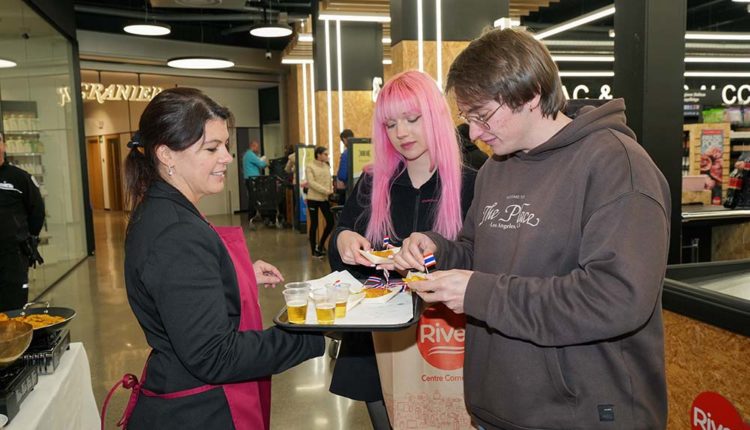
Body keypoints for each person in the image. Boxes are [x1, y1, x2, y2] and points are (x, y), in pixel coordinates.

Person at [391, 28, 670, 429]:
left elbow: (615, 298)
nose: (474, 133)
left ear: (531, 94)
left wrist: (480, 294)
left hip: (582, 414)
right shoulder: (496, 168)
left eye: (482, 115)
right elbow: (476, 252)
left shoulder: (617, 166)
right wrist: (436, 251)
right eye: (468, 118)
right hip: (496, 407)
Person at [117, 88, 324, 429]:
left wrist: (235, 275)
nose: (227, 157)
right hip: (198, 411)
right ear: (167, 154)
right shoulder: (176, 232)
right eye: (212, 148)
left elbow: (180, 288)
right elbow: (215, 355)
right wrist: (313, 332)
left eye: (225, 145)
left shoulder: (161, 209)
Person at [328, 70, 476, 429]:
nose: (401, 133)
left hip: (450, 338)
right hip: (376, 341)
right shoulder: (372, 183)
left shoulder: (473, 182)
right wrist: (342, 239)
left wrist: (431, 256)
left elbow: (483, 259)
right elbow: (341, 250)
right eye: (391, 124)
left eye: (412, 119)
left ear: (435, 116)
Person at [0, 132, 45, 312]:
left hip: (13, 258)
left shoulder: (20, 177)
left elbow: (37, 213)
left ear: (4, 146)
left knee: (14, 310)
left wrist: (25, 238)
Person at [305, 146, 334, 258]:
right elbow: (311, 183)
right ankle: (313, 250)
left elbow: (328, 180)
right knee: (314, 224)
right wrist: (326, 191)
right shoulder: (310, 166)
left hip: (324, 199)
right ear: (318, 155)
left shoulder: (326, 166)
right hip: (313, 199)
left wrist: (330, 190)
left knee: (330, 222)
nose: (327, 156)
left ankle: (321, 245)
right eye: (325, 154)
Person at [243, 139, 267, 228]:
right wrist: (265, 161)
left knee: (252, 198)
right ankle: (252, 216)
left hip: (248, 179)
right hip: (253, 179)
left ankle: (254, 215)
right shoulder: (250, 155)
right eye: (257, 147)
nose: (258, 149)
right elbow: (261, 164)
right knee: (254, 199)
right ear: (253, 146)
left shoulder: (247, 155)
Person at [335, 129, 354, 205]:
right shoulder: (360, 148)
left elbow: (342, 175)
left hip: (351, 188)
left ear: (344, 139)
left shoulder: (346, 154)